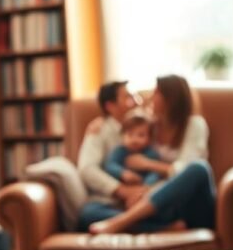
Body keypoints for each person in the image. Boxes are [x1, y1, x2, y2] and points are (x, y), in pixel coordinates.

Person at [83, 75, 215, 235]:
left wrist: (147, 168)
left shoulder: (195, 125)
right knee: (87, 214)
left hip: (185, 203)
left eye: (156, 92)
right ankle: (163, 228)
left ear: (171, 98)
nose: (150, 97)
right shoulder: (150, 126)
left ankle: (121, 222)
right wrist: (103, 121)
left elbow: (183, 170)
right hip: (157, 206)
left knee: (199, 168)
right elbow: (129, 127)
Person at [76, 81, 149, 211]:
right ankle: (151, 225)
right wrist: (120, 190)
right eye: (127, 97)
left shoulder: (147, 125)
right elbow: (87, 169)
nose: (133, 101)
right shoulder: (98, 130)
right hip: (110, 201)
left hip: (146, 193)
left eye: (133, 96)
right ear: (110, 106)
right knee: (88, 214)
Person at [104, 114, 163, 187]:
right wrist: (123, 173)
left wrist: (147, 183)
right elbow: (110, 165)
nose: (134, 139)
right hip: (122, 187)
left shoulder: (151, 153)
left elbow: (155, 172)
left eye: (141, 135)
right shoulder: (120, 150)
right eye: (130, 134)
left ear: (149, 139)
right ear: (122, 136)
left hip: (143, 187)